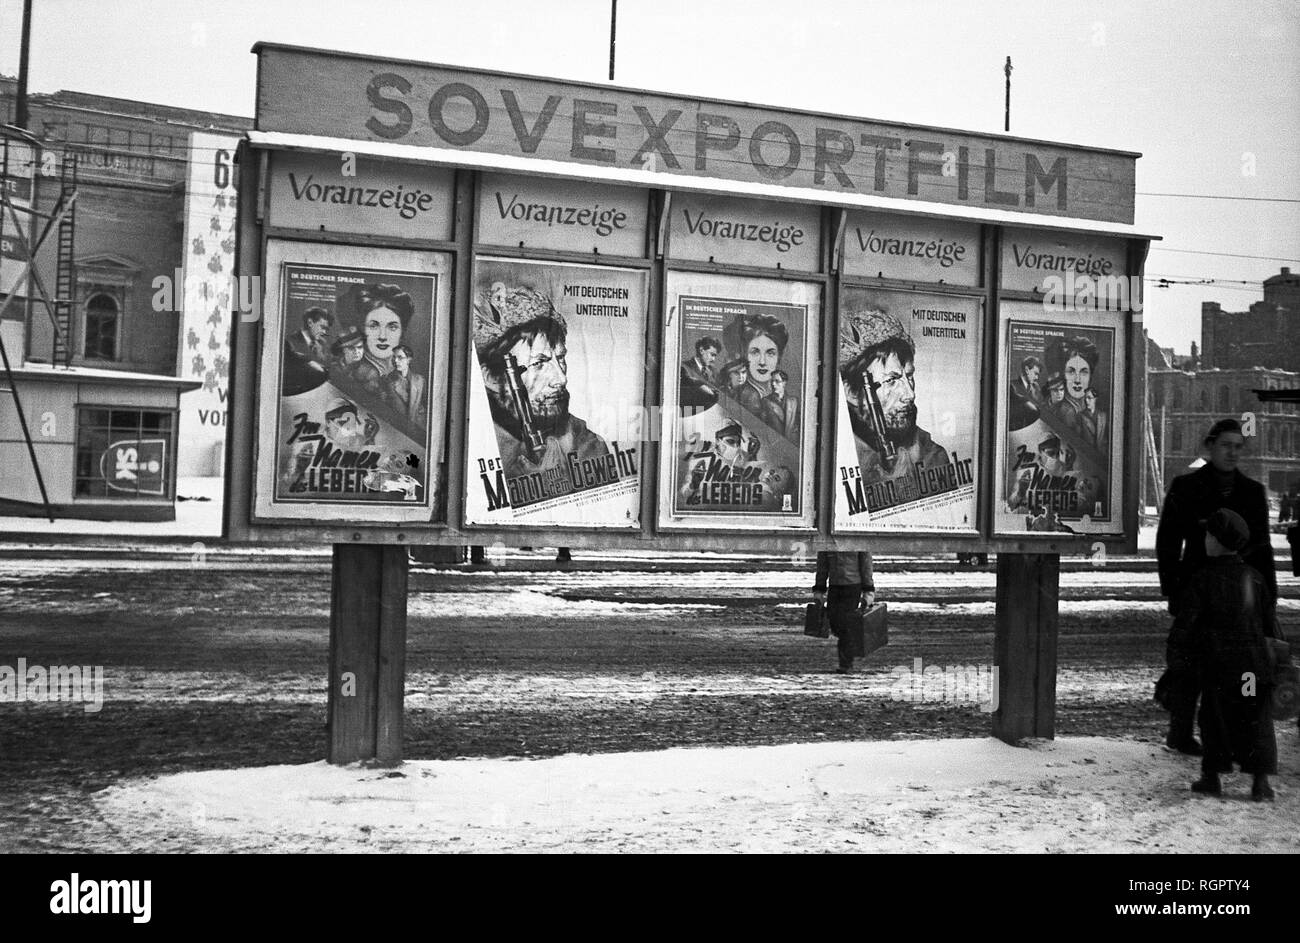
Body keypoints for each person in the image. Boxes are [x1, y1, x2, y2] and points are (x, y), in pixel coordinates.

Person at [1156, 418, 1277, 755]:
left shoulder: (1253, 492)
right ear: (1209, 447)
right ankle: (1179, 733)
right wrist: (1174, 590)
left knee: (1239, 668)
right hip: (1195, 591)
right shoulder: (1185, 487)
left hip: (1240, 595)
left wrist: (1268, 597)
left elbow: (1263, 548)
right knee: (1188, 665)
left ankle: (1237, 739)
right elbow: (1167, 543)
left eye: (1238, 446)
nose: (1233, 453)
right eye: (1226, 445)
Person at [1167, 508, 1277, 801]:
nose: (1204, 538)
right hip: (1250, 670)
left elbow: (1186, 625)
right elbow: (1268, 623)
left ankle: (1212, 776)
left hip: (1218, 668)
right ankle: (1260, 781)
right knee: (1253, 715)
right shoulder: (1253, 578)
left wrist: (1177, 660)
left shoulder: (1204, 579)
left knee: (1215, 718)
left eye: (1208, 534)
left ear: (1216, 540)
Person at [473, 282, 610, 480]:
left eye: (560, 359)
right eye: (538, 363)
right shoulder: (476, 442)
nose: (561, 379)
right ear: (492, 378)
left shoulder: (586, 443)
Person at [839, 306, 950, 487]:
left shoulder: (932, 456)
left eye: (910, 377)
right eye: (891, 380)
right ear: (851, 392)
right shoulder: (839, 455)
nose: (910, 394)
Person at [734, 314, 799, 441]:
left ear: (778, 357)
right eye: (755, 352)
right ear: (745, 356)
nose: (762, 361)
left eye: (770, 353)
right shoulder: (745, 396)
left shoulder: (787, 398)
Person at [812, 550, 875, 674]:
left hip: (852, 587)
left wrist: (868, 591)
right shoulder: (827, 542)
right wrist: (819, 589)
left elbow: (866, 565)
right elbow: (822, 566)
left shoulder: (856, 539)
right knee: (835, 623)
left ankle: (846, 664)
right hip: (835, 587)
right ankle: (849, 651)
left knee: (846, 625)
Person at [1051, 335, 1107, 445]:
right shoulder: (1064, 412)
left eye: (1084, 372)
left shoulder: (1095, 410)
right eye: (1071, 371)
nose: (1077, 380)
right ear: (1063, 375)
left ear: (1090, 375)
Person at [383, 344, 428, 427]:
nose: (396, 361)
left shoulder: (420, 380)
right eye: (394, 357)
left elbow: (426, 404)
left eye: (400, 357)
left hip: (419, 427)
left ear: (409, 360)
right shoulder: (388, 381)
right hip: (398, 427)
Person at [680, 336, 722, 408]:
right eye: (712, 355)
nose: (713, 359)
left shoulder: (714, 372)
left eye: (715, 356)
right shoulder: (684, 367)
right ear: (701, 350)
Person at [1008, 355, 1043, 431]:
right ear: (1027, 370)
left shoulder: (1036, 388)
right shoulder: (1011, 386)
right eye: (1035, 373)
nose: (1037, 377)